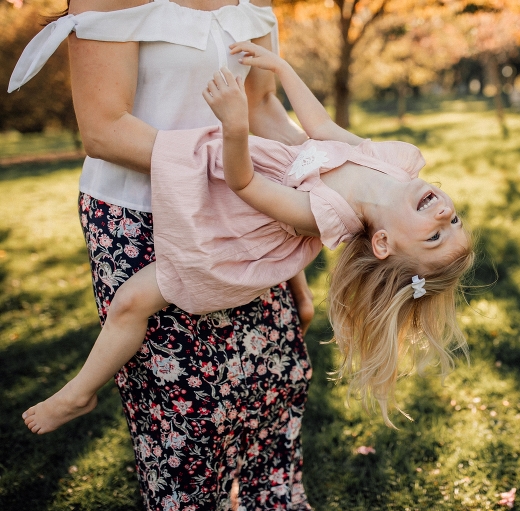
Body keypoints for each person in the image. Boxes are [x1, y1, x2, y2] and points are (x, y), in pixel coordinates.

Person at [22, 41, 474, 437]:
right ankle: (298, 299)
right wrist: (281, 67)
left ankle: (78, 393)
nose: (445, 215)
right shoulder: (397, 163)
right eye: (454, 221)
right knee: (132, 299)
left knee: (131, 301)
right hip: (243, 181)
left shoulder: (329, 215)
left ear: (383, 245)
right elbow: (321, 128)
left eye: (435, 236)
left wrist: (235, 127)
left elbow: (245, 184)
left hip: (231, 234)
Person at [10, 1, 316, 509]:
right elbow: (105, 129)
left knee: (272, 388)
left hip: (242, 205)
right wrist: (228, 168)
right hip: (143, 216)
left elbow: (261, 104)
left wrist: (325, 168)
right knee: (188, 422)